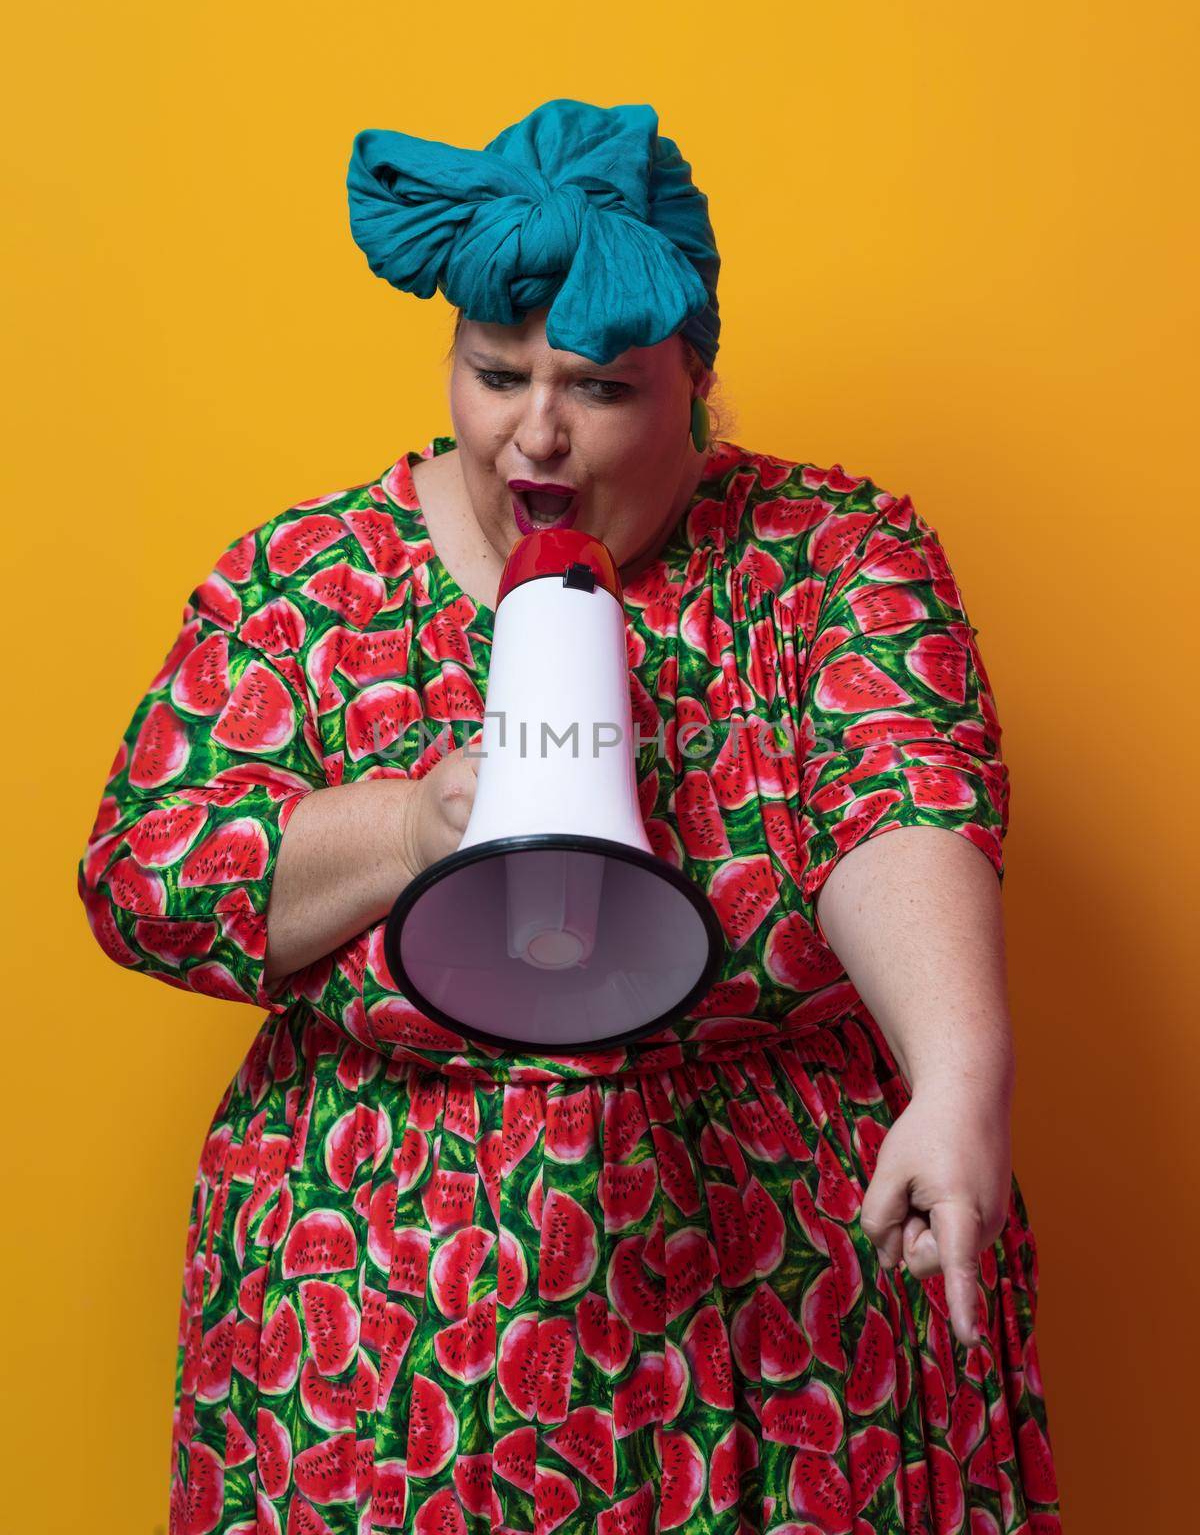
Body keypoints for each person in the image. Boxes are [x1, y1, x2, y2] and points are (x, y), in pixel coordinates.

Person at [79, 98, 1061, 1535]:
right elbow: (146, 873)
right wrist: (411, 829)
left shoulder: (833, 555)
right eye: (497, 373)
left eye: (603, 389)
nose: (537, 432)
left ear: (699, 384)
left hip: (780, 1310)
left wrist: (961, 1074)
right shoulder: (303, 578)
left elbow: (895, 791)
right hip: (377, 1326)